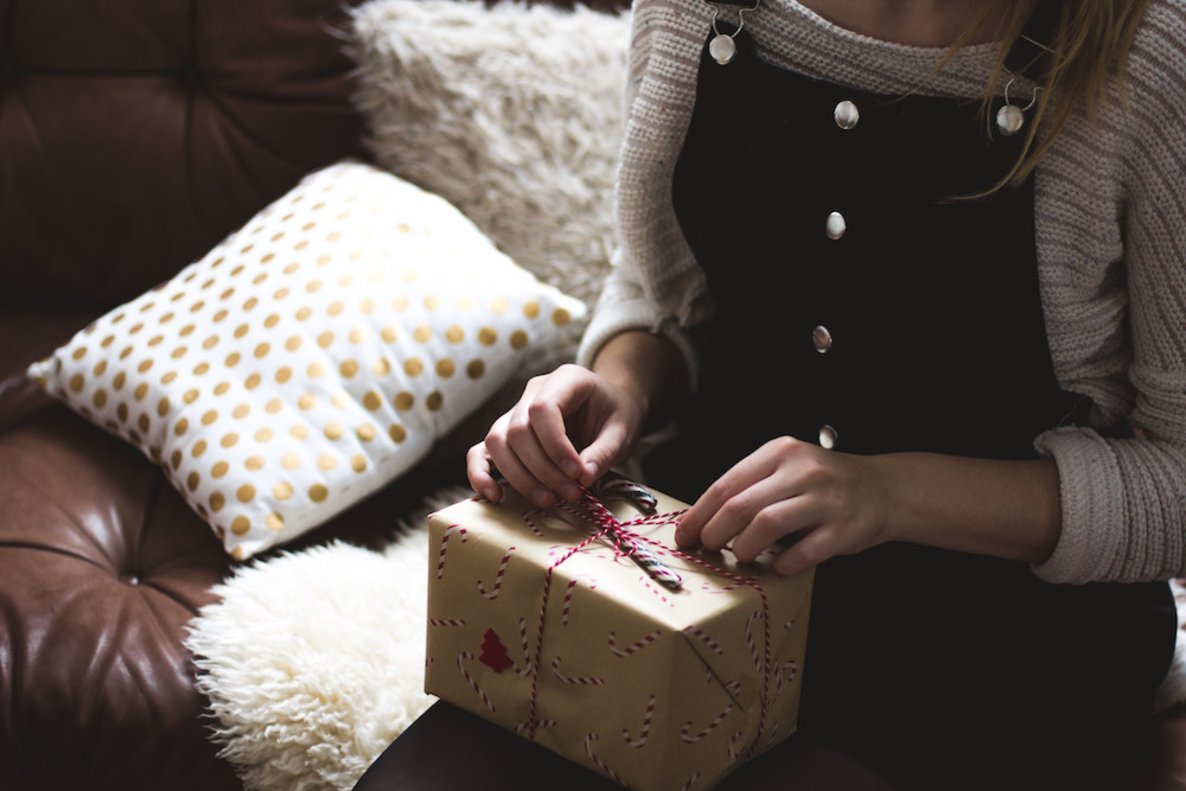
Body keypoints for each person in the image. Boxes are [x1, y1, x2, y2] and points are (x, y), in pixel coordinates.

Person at [467, 0, 1186, 787]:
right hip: (696, 586)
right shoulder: (691, 10)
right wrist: (619, 388)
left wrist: (888, 492)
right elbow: (656, 284)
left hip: (1001, 649)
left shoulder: (1152, 48)